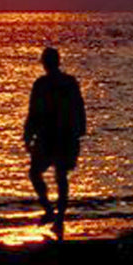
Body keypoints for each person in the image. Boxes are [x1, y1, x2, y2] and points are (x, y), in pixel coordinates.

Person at [24, 46, 86, 230]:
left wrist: (28, 135)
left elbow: (33, 112)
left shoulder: (44, 84)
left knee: (44, 175)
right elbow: (79, 109)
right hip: (61, 137)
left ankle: (53, 214)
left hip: (53, 137)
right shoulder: (67, 82)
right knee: (58, 176)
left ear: (45, 63)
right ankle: (56, 216)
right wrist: (80, 130)